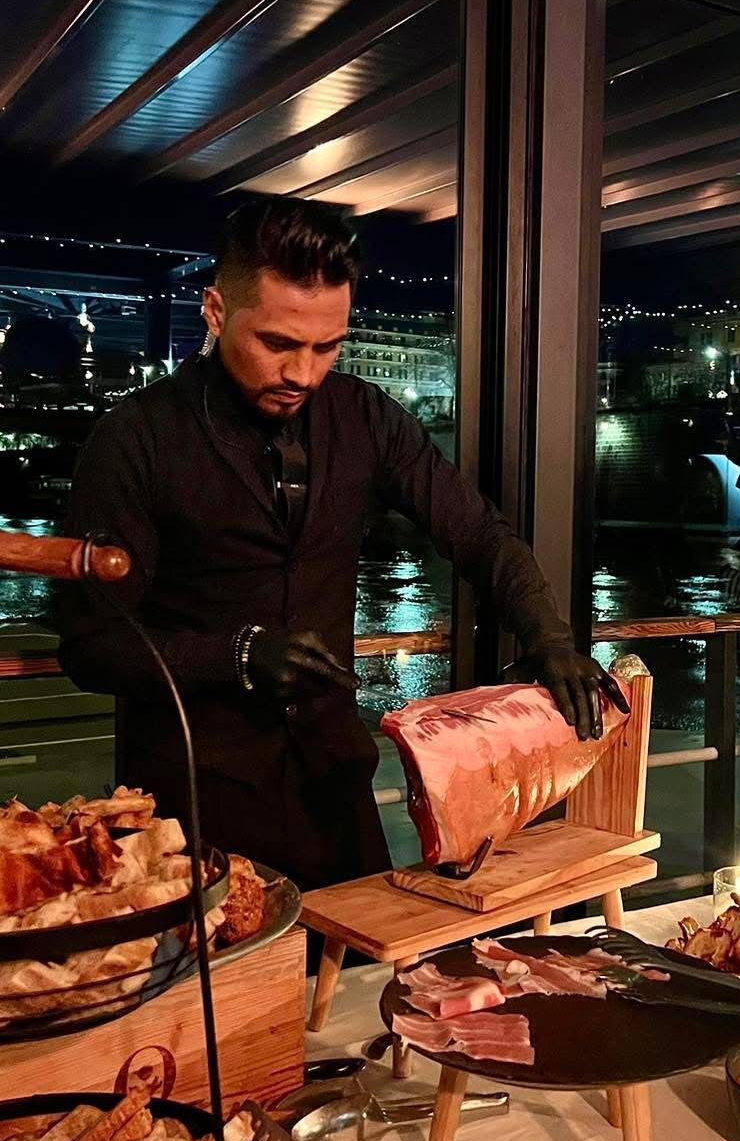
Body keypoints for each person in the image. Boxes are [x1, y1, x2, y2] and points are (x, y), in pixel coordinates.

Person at [56, 199, 625, 890]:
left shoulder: (366, 416)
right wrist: (235, 655)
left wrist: (549, 637)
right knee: (231, 998)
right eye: (278, 343)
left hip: (334, 785)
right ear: (213, 311)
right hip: (194, 806)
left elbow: (476, 530)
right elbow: (90, 643)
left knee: (360, 988)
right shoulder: (135, 438)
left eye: (327, 347)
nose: (303, 373)